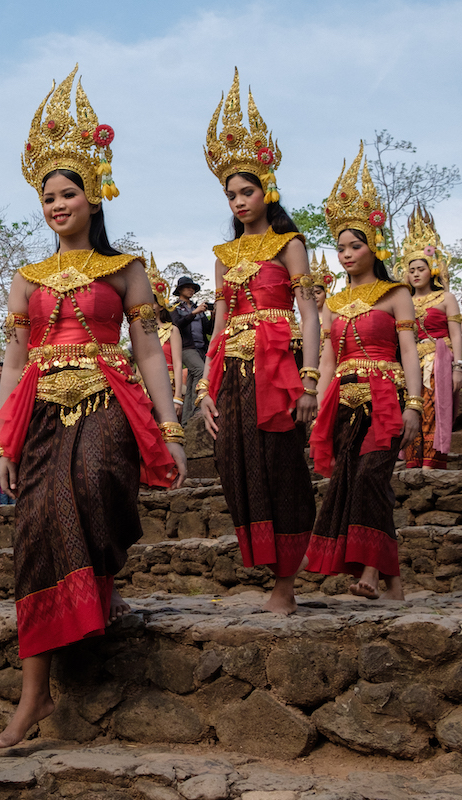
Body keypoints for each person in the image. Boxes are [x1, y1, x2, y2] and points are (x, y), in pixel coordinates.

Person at [0, 67, 187, 748]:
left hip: (109, 398)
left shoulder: (125, 269)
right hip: (41, 408)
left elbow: (153, 352)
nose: (56, 203)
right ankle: (34, 695)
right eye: (47, 195)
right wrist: (4, 443)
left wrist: (169, 427)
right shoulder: (25, 279)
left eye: (68, 191)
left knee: (97, 481)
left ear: (93, 195)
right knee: (39, 524)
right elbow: (13, 364)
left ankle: (97, 589)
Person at [195, 69, 318, 614]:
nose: (239, 200)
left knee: (280, 463)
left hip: (279, 366)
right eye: (231, 194)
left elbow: (309, 317)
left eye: (247, 190)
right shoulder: (223, 257)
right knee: (236, 463)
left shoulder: (290, 243)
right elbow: (219, 323)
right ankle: (268, 565)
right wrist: (203, 389)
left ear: (267, 189)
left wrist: (310, 380)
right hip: (233, 370)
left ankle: (285, 584)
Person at [309, 142, 423, 601]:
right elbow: (328, 360)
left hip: (388, 398)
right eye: (340, 248)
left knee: (370, 478)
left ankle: (372, 574)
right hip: (345, 399)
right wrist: (319, 407)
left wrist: (415, 405)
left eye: (355, 245)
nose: (346, 254)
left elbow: (411, 353)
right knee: (356, 482)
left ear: (373, 246)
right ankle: (392, 580)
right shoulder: (332, 303)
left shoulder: (396, 294)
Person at [399, 206, 462, 470]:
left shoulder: (446, 298)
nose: (416, 273)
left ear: (432, 270)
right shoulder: (405, 302)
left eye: (421, 268)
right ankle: (414, 458)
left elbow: (457, 335)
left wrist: (458, 368)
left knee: (436, 408)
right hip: (414, 362)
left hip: (440, 360)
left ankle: (433, 459)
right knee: (415, 407)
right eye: (411, 269)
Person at [146, 255, 183, 416]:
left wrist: (178, 397)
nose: (149, 305)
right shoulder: (143, 332)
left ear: (161, 305)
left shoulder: (172, 330)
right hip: (146, 387)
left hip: (169, 385)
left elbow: (178, 364)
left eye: (153, 301)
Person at [172, 275, 212, 421]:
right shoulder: (174, 307)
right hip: (185, 348)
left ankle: (187, 420)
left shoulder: (197, 307)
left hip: (201, 348)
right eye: (188, 287)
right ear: (180, 290)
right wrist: (194, 313)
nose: (191, 290)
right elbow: (177, 324)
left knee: (190, 384)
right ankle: (197, 411)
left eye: (193, 288)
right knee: (201, 371)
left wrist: (213, 315)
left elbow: (208, 330)